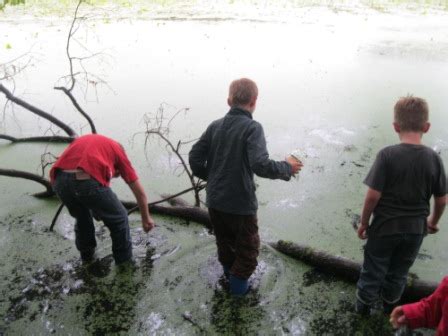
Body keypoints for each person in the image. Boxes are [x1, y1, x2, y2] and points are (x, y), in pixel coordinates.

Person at [188, 78, 302, 296]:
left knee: (225, 245)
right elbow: (260, 165)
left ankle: (227, 280)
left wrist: (212, 177)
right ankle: (238, 299)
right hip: (240, 206)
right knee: (248, 256)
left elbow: (194, 157)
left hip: (215, 201)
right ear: (254, 101)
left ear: (229, 100)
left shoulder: (215, 126)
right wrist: (287, 167)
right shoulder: (253, 128)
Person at [355, 96, 446, 315]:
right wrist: (432, 222)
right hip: (416, 230)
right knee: (399, 272)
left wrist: (364, 222)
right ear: (426, 127)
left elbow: (372, 196)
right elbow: (442, 199)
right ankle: (390, 306)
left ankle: (363, 307)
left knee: (372, 269)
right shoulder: (434, 158)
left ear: (395, 126)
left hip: (385, 228)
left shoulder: (387, 155)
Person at [50, 134, 155, 264]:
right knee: (120, 217)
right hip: (85, 179)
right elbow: (139, 192)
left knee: (82, 217)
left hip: (59, 181)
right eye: (116, 174)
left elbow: (92, 197)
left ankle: (87, 257)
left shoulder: (92, 143)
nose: (114, 177)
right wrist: (146, 218)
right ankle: (125, 263)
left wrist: (99, 211)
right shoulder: (118, 151)